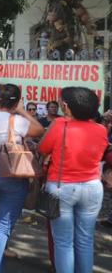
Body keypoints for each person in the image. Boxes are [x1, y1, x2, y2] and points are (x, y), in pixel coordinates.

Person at [39, 87, 108, 273]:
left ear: (66, 106)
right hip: (92, 187)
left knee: (63, 242)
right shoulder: (101, 130)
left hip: (62, 188)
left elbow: (43, 148)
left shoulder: (60, 124)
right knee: (85, 240)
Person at [0, 84, 44, 273]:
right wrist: (22, 111)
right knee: (3, 227)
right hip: (12, 177)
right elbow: (39, 130)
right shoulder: (16, 121)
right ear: (16, 101)